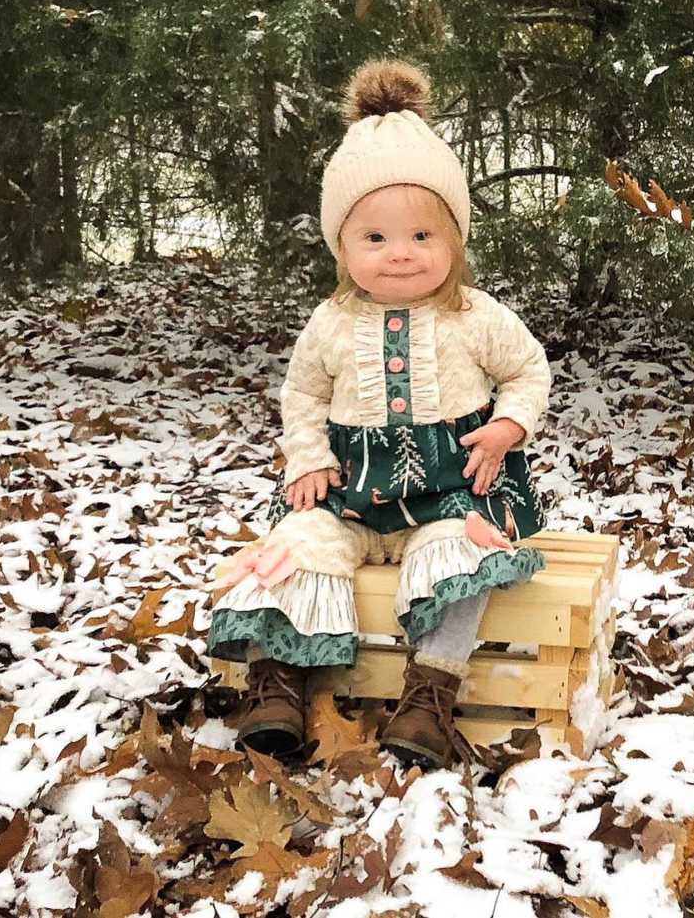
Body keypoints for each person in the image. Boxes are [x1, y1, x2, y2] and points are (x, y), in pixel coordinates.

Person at [207, 58, 552, 770]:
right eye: (375, 239)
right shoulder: (331, 322)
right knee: (298, 544)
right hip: (351, 490)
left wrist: (510, 424)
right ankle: (279, 681)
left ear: (454, 240)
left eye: (422, 237)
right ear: (342, 245)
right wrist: (308, 457)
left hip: (452, 487)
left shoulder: (473, 314)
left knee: (464, 555)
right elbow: (302, 393)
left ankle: (431, 689)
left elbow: (528, 369)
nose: (400, 254)